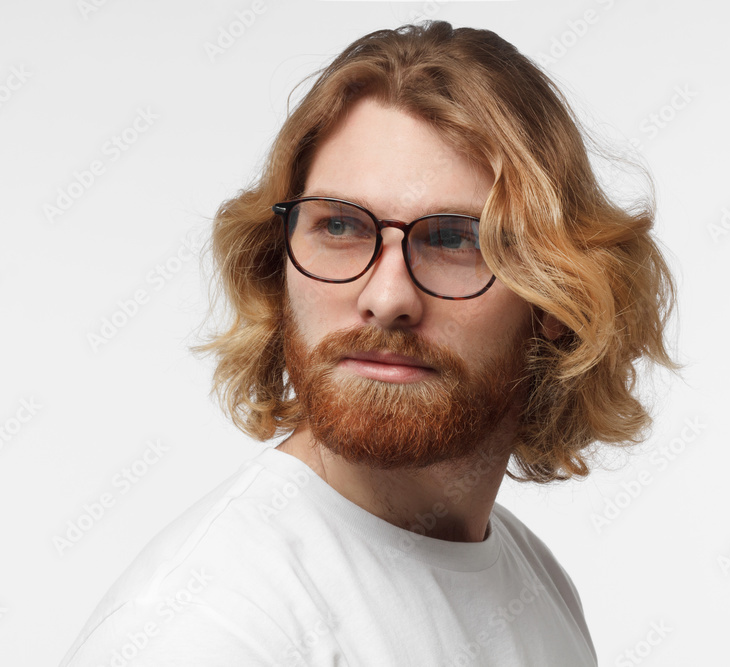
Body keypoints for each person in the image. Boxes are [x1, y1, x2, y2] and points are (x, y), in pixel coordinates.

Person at [60, 20, 680, 667]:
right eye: (339, 225)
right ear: (279, 267)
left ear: (556, 298)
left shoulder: (537, 586)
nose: (387, 298)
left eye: (453, 239)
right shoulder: (210, 628)